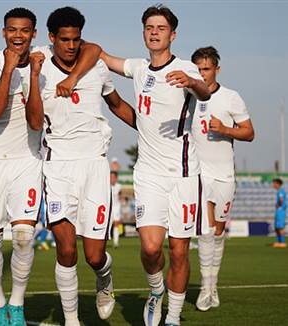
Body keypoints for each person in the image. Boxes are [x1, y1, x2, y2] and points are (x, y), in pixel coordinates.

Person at [0, 7, 102, 326]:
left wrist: (33, 73)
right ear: (4, 32)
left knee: (22, 237)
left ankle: (16, 306)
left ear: (34, 34)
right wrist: (10, 68)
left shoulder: (42, 58)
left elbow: (93, 49)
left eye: (25, 31)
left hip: (29, 162)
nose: (19, 36)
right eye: (13, 30)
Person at [100, 5, 211, 326]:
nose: (154, 32)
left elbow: (203, 93)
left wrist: (192, 80)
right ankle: (155, 291)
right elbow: (104, 56)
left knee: (178, 251)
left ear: (172, 34)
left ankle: (173, 318)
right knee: (150, 249)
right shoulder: (138, 68)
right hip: (148, 173)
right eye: (149, 26)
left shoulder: (188, 68)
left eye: (161, 28)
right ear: (143, 32)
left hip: (185, 174)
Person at [27, 7, 136, 325]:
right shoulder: (37, 63)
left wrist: (149, 129)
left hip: (94, 167)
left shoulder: (96, 66)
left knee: (93, 256)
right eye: (64, 39)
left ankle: (105, 275)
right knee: (66, 250)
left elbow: (117, 105)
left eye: (76, 39)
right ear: (51, 38)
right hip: (57, 167)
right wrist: (34, 77)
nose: (71, 46)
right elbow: (34, 122)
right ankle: (71, 320)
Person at [190, 46, 255, 311]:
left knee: (217, 233)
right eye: (197, 69)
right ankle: (205, 289)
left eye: (206, 69)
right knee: (205, 232)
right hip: (198, 172)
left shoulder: (231, 97)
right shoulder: (187, 97)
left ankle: (212, 284)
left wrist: (226, 129)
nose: (202, 74)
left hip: (224, 174)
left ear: (217, 69)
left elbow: (249, 133)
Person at [272, 178, 286, 248]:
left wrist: (278, 205)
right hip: (279, 211)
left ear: (278, 184)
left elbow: (281, 200)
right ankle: (279, 242)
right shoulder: (279, 191)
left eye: (274, 183)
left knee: (280, 227)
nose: (273, 185)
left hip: (280, 211)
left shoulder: (280, 191)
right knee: (277, 227)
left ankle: (283, 242)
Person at [111, 171, 122, 248]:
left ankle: (116, 242)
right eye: (110, 177)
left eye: (113, 177)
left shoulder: (119, 186)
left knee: (116, 224)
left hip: (116, 207)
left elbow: (120, 196)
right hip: (109, 207)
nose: (111, 179)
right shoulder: (106, 186)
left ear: (116, 178)